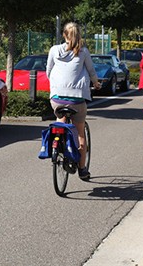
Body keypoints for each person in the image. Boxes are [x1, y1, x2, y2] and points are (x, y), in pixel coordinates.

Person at [46, 22, 101, 180]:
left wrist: (57, 87)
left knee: (60, 122)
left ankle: (59, 144)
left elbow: (48, 71)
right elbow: (91, 71)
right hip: (76, 98)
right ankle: (82, 169)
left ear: (64, 35)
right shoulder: (83, 51)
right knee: (80, 133)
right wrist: (96, 83)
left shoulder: (54, 50)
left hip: (56, 97)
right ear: (79, 36)